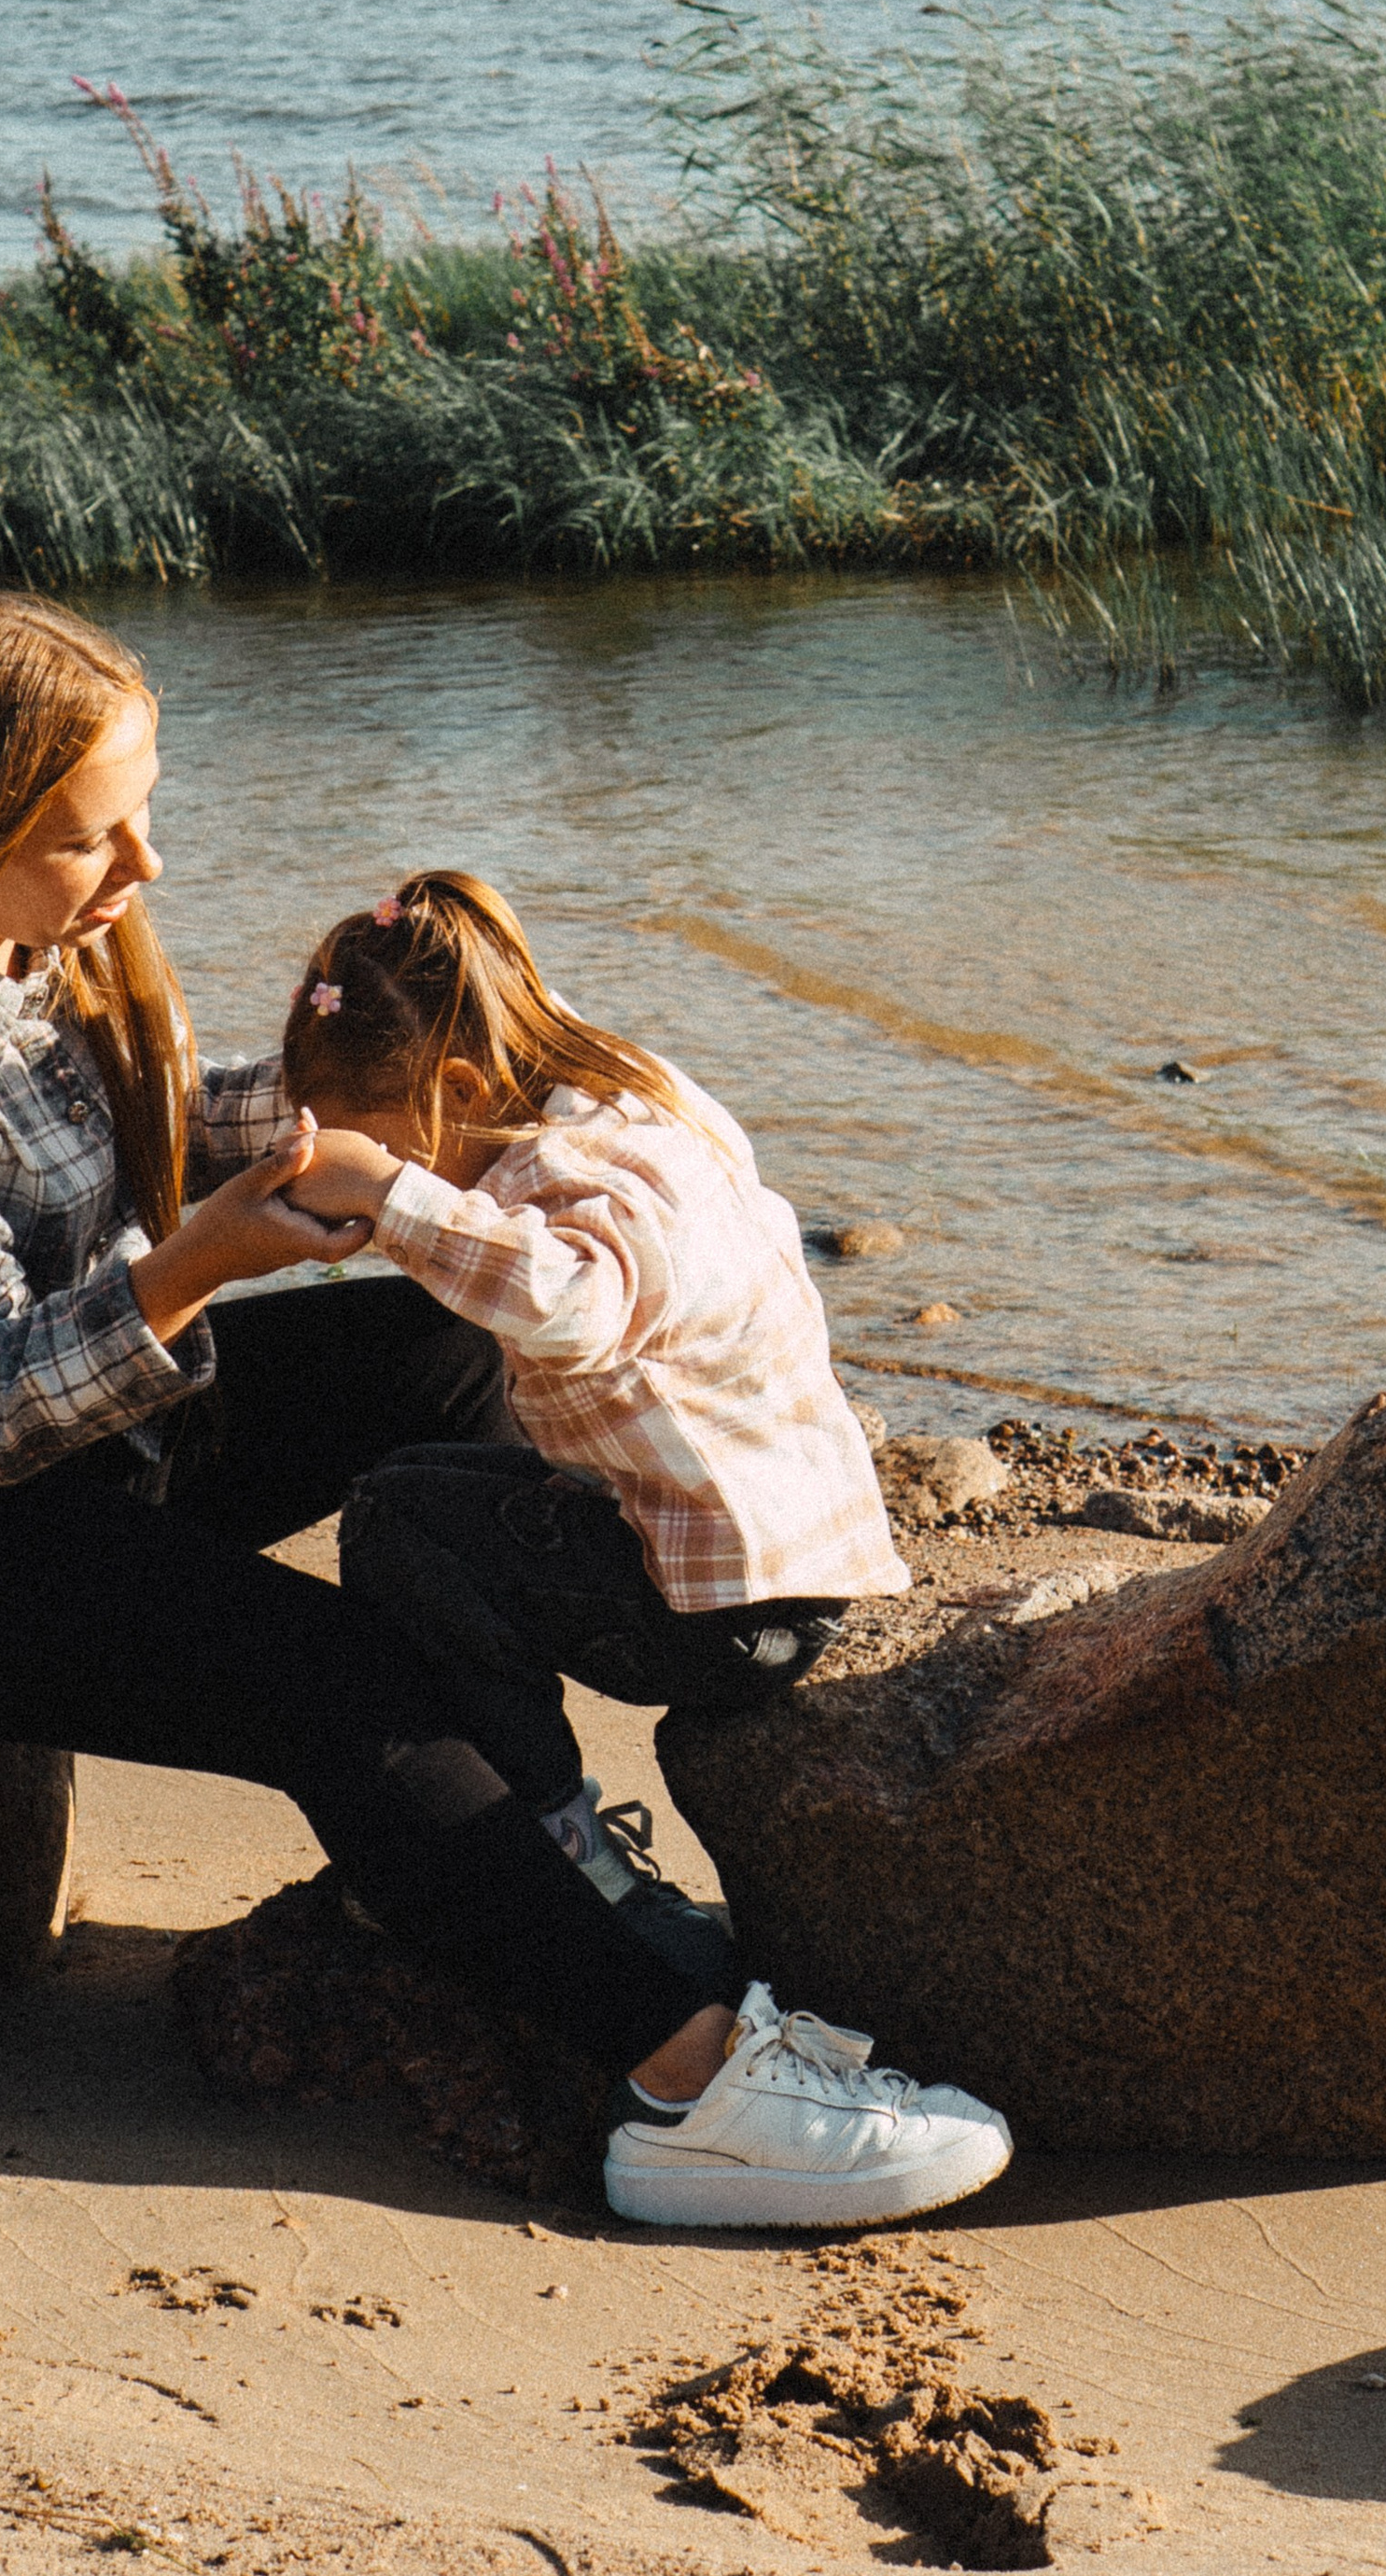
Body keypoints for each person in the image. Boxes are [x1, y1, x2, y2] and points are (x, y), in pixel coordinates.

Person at [0, 594, 1009, 2232]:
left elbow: (159, 1126)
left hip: (89, 1450)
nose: (141, 870)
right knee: (333, 1681)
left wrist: (453, 1109)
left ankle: (525, 1826)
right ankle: (682, 2080)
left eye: (145, 811)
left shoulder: (29, 954)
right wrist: (194, 1269)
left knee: (446, 1350)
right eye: (89, 839)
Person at [272, 868, 1010, 2227]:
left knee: (396, 1529)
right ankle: (533, 1817)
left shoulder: (571, 1181)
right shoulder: (630, 1093)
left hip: (721, 1601)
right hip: (773, 1546)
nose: (391, 1184)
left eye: (395, 1147)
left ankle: (557, 1839)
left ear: (445, 1088)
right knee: (410, 1484)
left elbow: (571, 1308)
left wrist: (403, 1208)